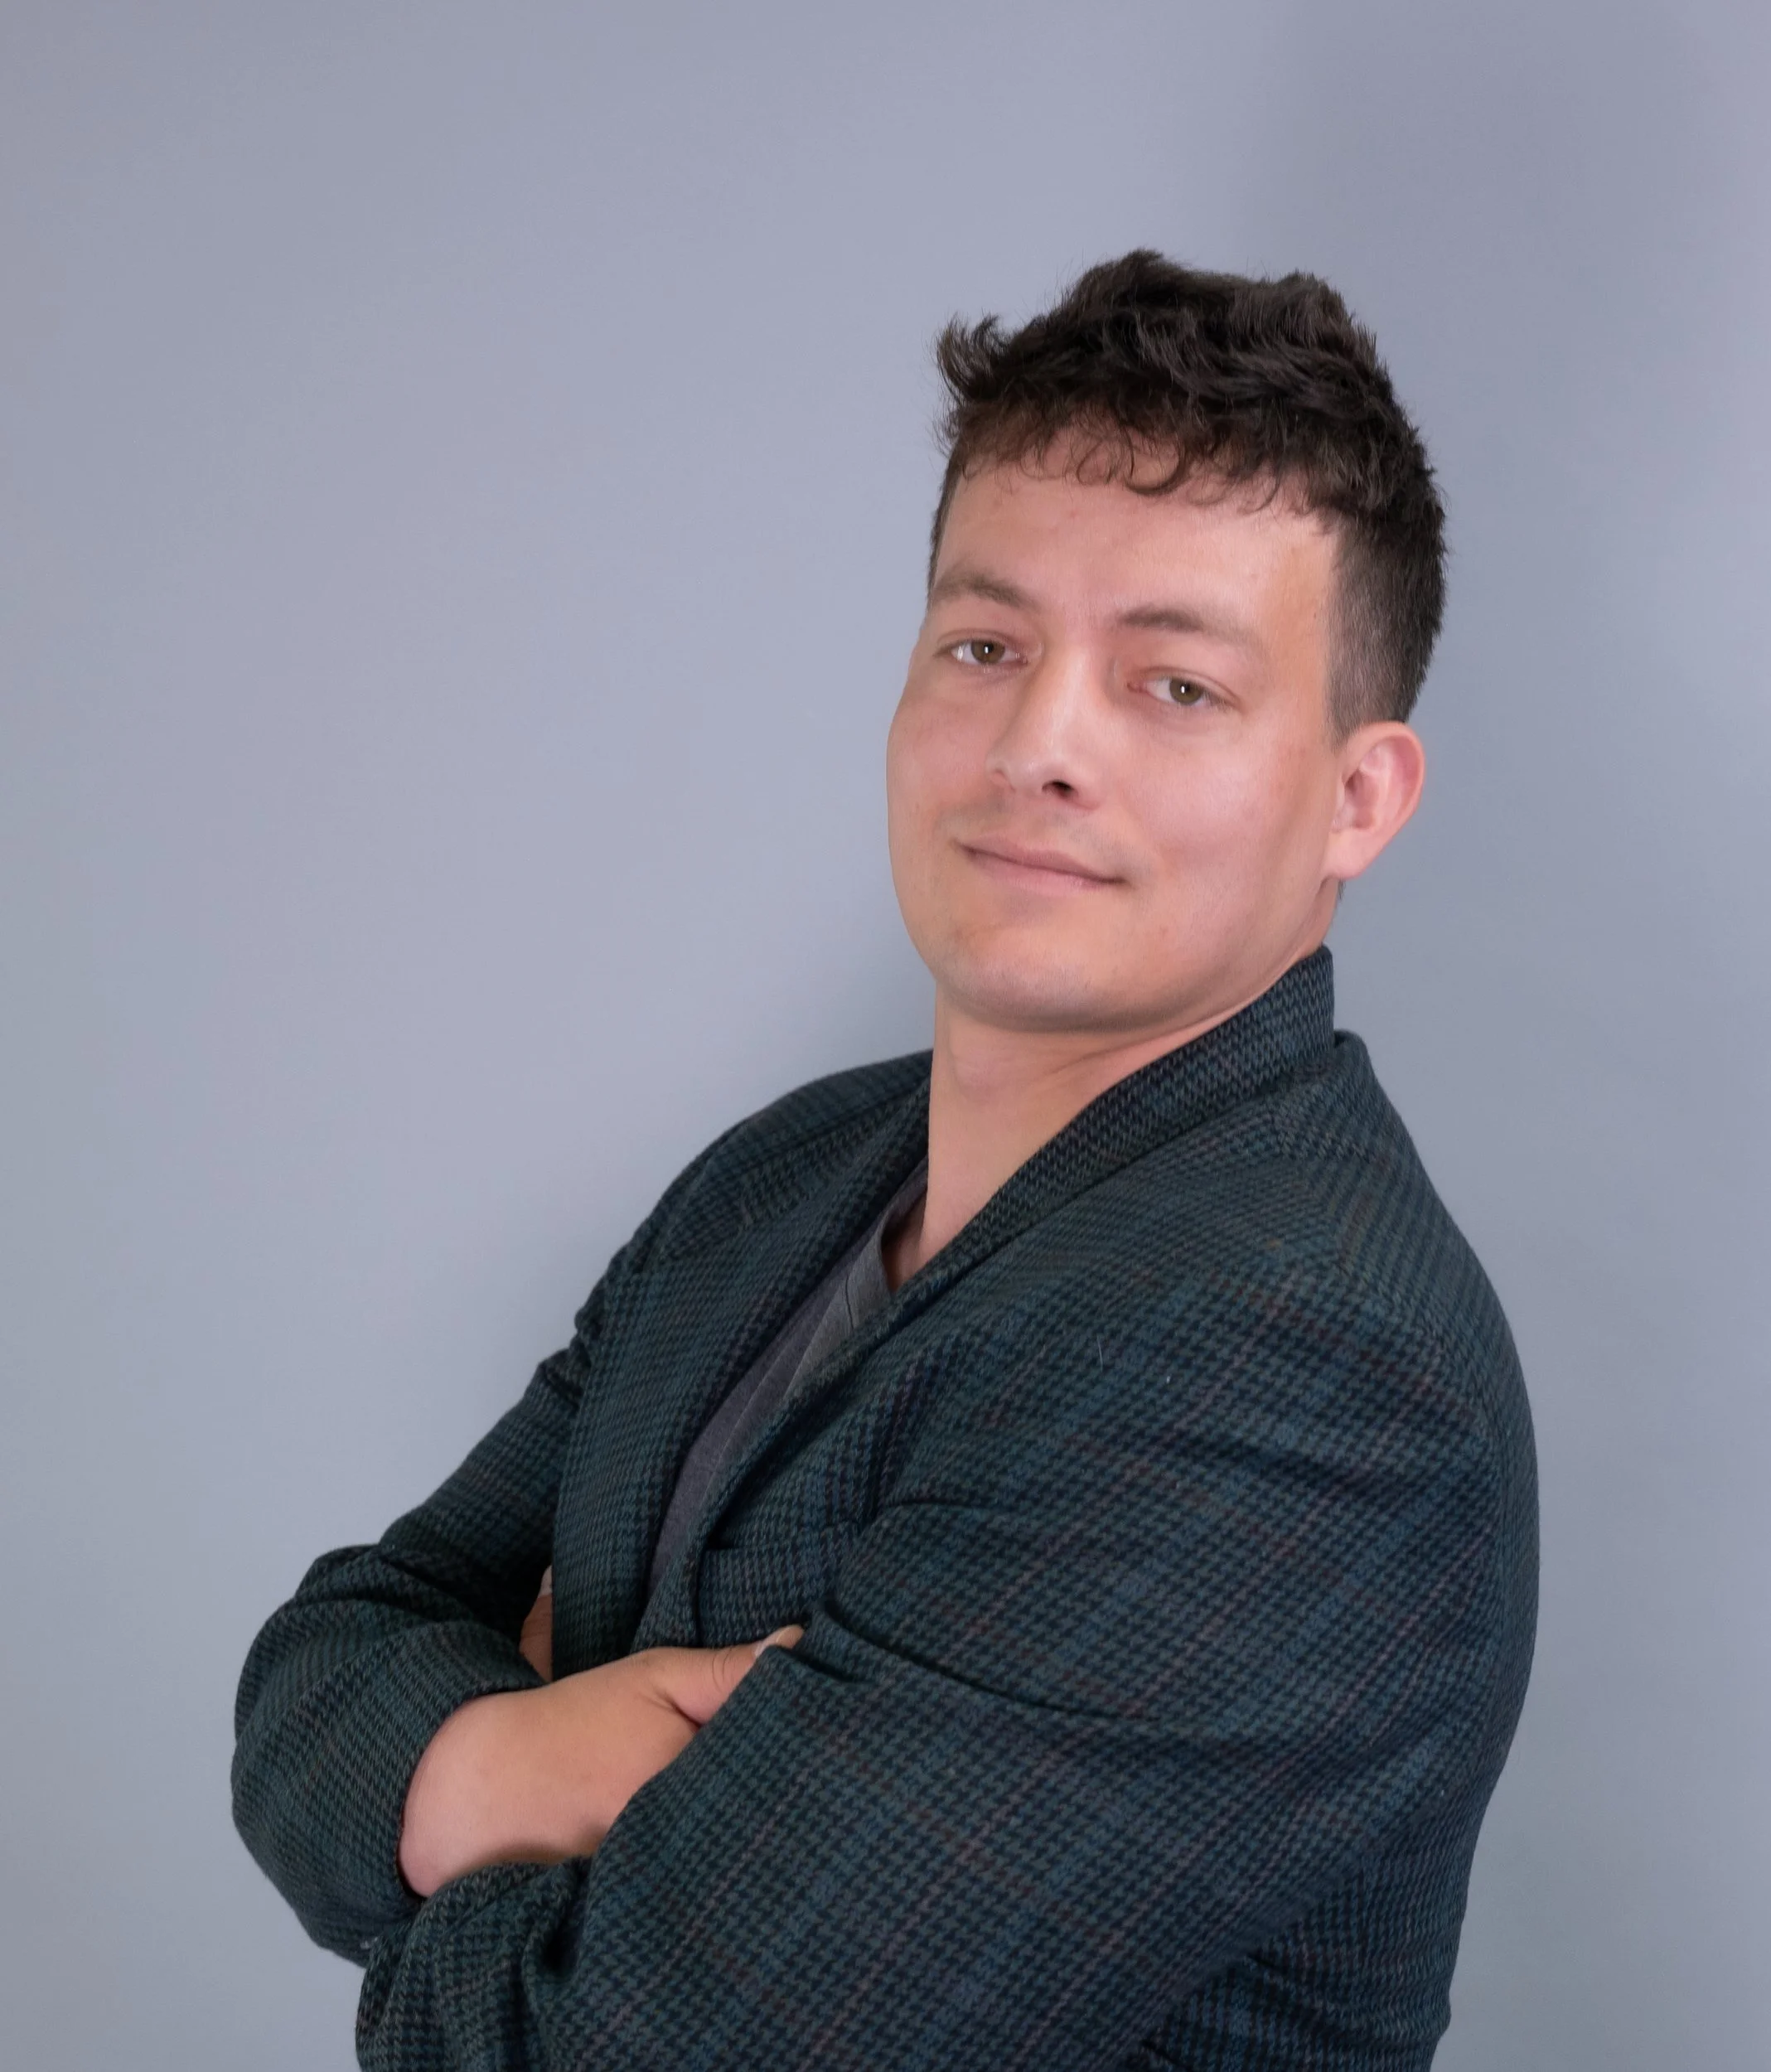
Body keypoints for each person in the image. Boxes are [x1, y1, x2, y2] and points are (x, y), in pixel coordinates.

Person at [231, 249, 1538, 2071]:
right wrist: (495, 1757)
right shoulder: (782, 1174)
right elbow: (329, 1653)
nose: (1034, 745)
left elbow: (613, 2053)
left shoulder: (1297, 1360)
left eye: (1173, 686)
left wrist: (453, 1843)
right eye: (984, 645)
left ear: (1355, 797)